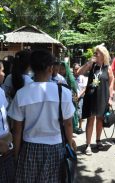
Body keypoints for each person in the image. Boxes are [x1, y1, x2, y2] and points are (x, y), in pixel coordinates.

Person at [8, 50, 75, 182]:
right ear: (51, 68)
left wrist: (15, 154)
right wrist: (70, 142)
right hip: (55, 148)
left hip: (29, 149)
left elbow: (17, 130)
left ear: (32, 68)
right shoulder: (63, 92)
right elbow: (68, 124)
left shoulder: (22, 93)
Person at [76, 45, 114, 155]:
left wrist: (110, 97)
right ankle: (88, 145)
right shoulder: (91, 65)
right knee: (90, 120)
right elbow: (78, 72)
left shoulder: (108, 68)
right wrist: (88, 62)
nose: (95, 55)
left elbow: (111, 83)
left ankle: (98, 141)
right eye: (95, 53)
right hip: (91, 96)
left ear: (103, 54)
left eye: (97, 53)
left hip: (103, 96)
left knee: (100, 119)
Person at [59, 61, 79, 132]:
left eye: (62, 69)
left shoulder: (70, 78)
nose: (60, 71)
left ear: (66, 69)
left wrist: (76, 102)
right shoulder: (58, 77)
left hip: (70, 100)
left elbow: (74, 91)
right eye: (59, 68)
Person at [73, 63, 88, 134]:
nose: (77, 70)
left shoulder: (82, 78)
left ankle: (80, 127)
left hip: (80, 97)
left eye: (78, 69)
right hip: (72, 97)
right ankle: (73, 126)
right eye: (75, 69)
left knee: (79, 112)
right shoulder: (71, 78)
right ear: (73, 70)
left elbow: (84, 88)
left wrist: (79, 96)